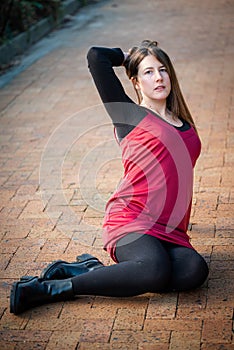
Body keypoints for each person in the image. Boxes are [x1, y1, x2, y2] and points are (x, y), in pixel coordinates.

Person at [10, 40, 209, 315]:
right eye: (148, 72)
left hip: (170, 229)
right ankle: (49, 289)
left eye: (162, 70)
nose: (158, 77)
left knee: (194, 270)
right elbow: (96, 57)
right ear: (136, 82)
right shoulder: (129, 115)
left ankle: (94, 270)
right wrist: (131, 57)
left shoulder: (181, 120)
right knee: (154, 270)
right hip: (132, 219)